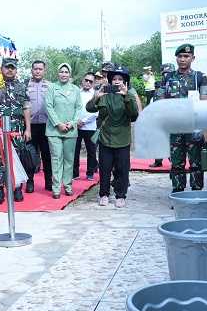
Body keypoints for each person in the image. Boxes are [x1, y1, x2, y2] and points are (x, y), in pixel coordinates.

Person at [87, 65, 139, 207]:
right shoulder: (104, 94)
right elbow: (89, 108)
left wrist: (126, 96)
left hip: (122, 138)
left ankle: (120, 195)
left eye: (120, 79)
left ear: (125, 81)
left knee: (122, 169)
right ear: (110, 81)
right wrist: (96, 97)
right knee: (105, 168)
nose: (116, 81)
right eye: (114, 79)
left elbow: (134, 115)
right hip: (106, 138)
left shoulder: (129, 95)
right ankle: (103, 194)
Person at [161, 44, 207, 192]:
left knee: (196, 163)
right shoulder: (168, 78)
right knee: (176, 163)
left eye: (186, 56)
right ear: (176, 58)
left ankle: (197, 193)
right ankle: (178, 193)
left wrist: (206, 130)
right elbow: (162, 102)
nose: (182, 59)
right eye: (180, 56)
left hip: (194, 126)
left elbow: (205, 105)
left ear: (192, 58)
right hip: (174, 126)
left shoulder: (200, 77)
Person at [0, 58, 31, 203]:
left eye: (12, 68)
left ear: (16, 70)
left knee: (17, 159)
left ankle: (17, 188)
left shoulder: (21, 87)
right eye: (7, 67)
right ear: (1, 69)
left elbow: (26, 108)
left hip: (17, 129)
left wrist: (28, 129)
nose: (10, 70)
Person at [45, 63, 81, 199]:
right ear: (58, 73)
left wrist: (72, 123)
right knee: (56, 158)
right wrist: (58, 123)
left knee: (69, 159)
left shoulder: (76, 90)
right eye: (61, 71)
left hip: (70, 131)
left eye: (66, 72)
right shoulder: (52, 88)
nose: (64, 74)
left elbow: (79, 108)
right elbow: (48, 106)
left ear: (70, 74)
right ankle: (56, 188)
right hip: (54, 130)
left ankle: (68, 185)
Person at [26, 60, 51, 192]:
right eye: (35, 68)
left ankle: (49, 182)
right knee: (30, 156)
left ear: (44, 71)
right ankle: (30, 182)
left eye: (40, 69)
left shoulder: (50, 86)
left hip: (46, 126)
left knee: (47, 155)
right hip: (30, 126)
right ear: (32, 70)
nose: (37, 71)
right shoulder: (25, 85)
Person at [148, 63, 176, 168]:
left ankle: (174, 160)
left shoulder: (175, 85)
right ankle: (158, 160)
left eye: (168, 73)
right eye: (164, 73)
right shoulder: (160, 87)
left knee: (173, 141)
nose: (166, 75)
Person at [73, 72, 98, 181]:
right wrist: (76, 121)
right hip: (76, 126)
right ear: (82, 81)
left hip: (90, 126)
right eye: (86, 80)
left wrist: (84, 121)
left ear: (93, 83)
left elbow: (96, 112)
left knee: (91, 151)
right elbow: (72, 107)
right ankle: (74, 173)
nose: (88, 83)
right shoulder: (76, 93)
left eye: (90, 81)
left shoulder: (96, 94)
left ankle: (90, 173)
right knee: (75, 151)